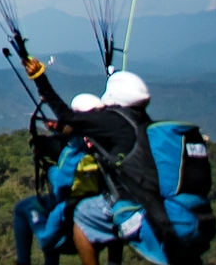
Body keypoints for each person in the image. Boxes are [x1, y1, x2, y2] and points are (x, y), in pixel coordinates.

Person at [23, 59, 152, 265]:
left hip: (127, 202)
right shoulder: (142, 123)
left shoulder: (110, 124)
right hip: (148, 196)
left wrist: (40, 78)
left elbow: (67, 117)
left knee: (84, 216)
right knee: (109, 208)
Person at [12, 93, 105, 265]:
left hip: (68, 210)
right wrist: (57, 129)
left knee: (24, 210)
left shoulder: (75, 154)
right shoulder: (103, 144)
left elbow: (61, 185)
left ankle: (23, 262)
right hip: (97, 211)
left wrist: (49, 169)